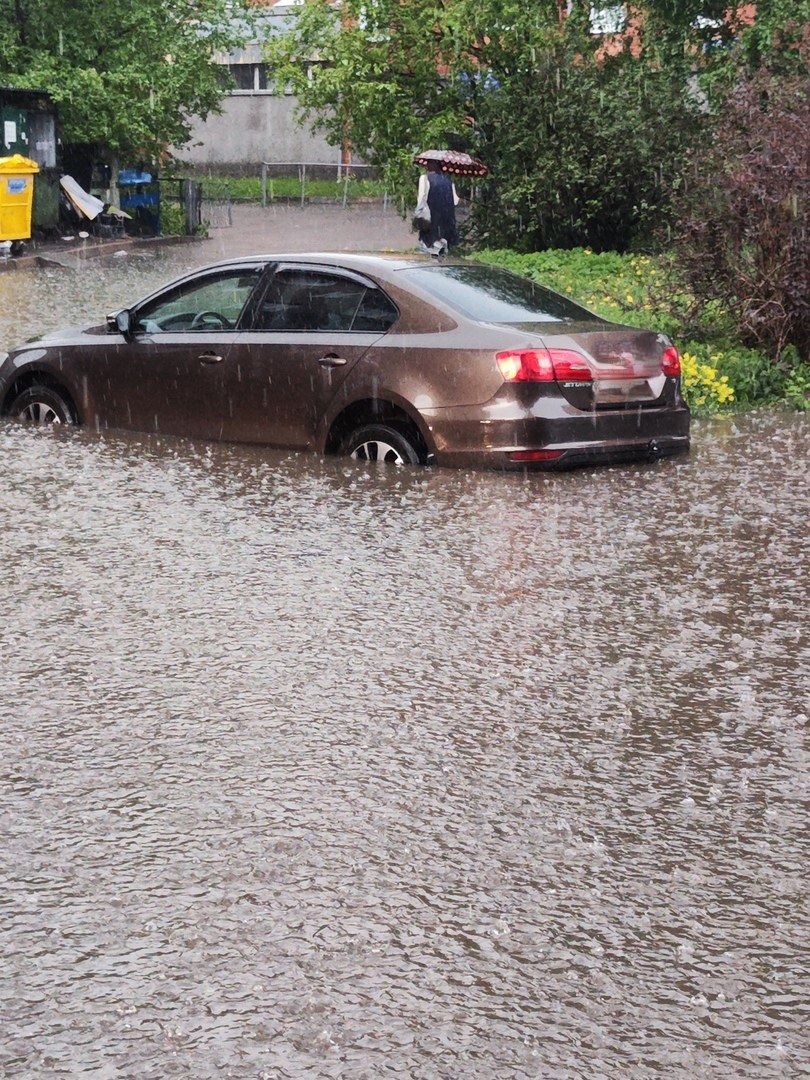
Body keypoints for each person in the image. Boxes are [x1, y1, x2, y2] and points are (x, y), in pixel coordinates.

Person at [417, 161, 459, 255]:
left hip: (430, 224)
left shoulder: (424, 178)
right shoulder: (448, 180)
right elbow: (455, 201)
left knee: (427, 254)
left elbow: (421, 200)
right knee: (445, 256)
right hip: (447, 225)